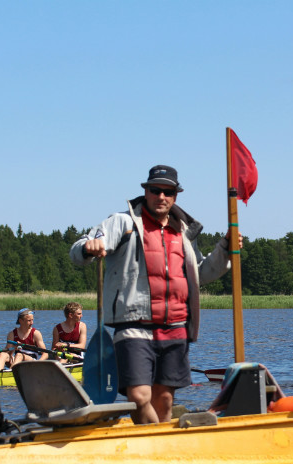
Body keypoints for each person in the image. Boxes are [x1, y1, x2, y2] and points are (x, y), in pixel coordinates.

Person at [69, 164, 240, 424]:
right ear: (146, 191)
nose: (161, 196)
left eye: (168, 192)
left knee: (165, 400)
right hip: (133, 325)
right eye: (155, 190)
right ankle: (159, 438)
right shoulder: (123, 222)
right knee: (139, 397)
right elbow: (78, 249)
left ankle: (159, 443)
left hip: (175, 327)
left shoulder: (184, 231)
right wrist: (88, 247)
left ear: (175, 196)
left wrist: (225, 249)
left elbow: (200, 273)